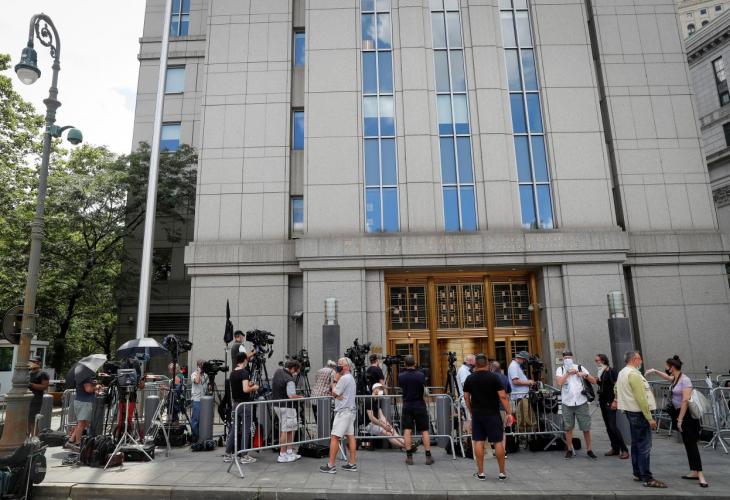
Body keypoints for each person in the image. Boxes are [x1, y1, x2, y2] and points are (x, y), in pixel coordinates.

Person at [646, 356, 708, 488]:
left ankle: (701, 475)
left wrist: (680, 420)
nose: (666, 368)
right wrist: (655, 371)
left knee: (692, 444)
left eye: (667, 366)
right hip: (679, 414)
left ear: (672, 367)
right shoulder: (676, 378)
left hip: (686, 417)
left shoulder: (685, 380)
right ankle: (694, 471)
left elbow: (685, 401)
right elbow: (667, 378)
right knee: (687, 443)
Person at [613, 351, 666, 488]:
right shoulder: (633, 374)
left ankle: (637, 472)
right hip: (639, 414)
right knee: (644, 446)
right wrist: (650, 418)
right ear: (634, 359)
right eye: (639, 359)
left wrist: (618, 400)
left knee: (636, 444)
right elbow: (641, 398)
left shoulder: (622, 373)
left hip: (631, 412)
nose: (641, 361)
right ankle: (647, 477)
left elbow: (615, 388)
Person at [463, 354, 514, 481]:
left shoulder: (470, 378)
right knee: (498, 442)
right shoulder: (494, 377)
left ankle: (481, 473)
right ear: (487, 364)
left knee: (479, 441)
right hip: (493, 413)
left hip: (477, 414)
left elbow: (466, 397)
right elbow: (503, 396)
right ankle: (502, 473)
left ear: (475, 364)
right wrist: (509, 412)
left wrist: (471, 410)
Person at [555, 350, 597, 460]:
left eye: (569, 357)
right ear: (563, 359)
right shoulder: (560, 369)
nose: (567, 359)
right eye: (565, 358)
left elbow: (593, 381)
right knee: (568, 427)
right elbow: (559, 382)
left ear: (572, 357)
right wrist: (568, 373)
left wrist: (584, 374)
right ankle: (569, 449)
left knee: (585, 427)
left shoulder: (579, 367)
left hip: (581, 401)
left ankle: (589, 449)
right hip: (567, 402)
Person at [320, 358, 358, 473]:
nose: (339, 366)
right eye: (338, 364)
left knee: (335, 437)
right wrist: (337, 395)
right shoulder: (350, 377)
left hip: (343, 412)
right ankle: (352, 463)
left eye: (341, 364)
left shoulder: (344, 378)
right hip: (350, 411)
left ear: (347, 366)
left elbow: (334, 392)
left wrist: (335, 380)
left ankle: (331, 465)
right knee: (350, 436)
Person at [224, 351, 259, 464]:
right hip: (245, 404)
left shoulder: (233, 373)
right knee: (246, 430)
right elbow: (245, 389)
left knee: (234, 429)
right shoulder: (244, 372)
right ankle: (244, 456)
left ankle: (227, 454)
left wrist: (249, 384)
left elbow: (239, 387)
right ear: (245, 360)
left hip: (236, 404)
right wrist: (254, 387)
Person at [398, 355, 434, 466]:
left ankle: (409, 457)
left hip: (407, 405)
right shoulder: (421, 375)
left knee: (407, 430)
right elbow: (423, 386)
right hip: (419, 404)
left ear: (405, 364)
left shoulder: (401, 376)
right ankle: (428, 456)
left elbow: (401, 387)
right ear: (415, 363)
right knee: (424, 430)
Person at [595, 353, 629, 459]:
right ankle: (615, 448)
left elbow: (618, 385)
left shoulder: (611, 371)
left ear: (603, 360)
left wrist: (615, 400)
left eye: (597, 360)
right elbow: (601, 384)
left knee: (612, 426)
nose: (596, 363)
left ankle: (624, 449)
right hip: (603, 401)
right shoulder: (601, 372)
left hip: (610, 401)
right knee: (608, 427)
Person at [271, 360, 303, 463]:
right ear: (293, 368)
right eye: (296, 371)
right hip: (287, 407)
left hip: (277, 405)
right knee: (286, 430)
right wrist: (301, 397)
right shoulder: (290, 380)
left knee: (290, 429)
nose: (296, 373)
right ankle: (283, 454)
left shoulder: (278, 372)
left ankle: (289, 452)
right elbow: (291, 396)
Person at [364, 383, 410, 450]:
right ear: (374, 389)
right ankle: (407, 446)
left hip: (377, 424)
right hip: (369, 425)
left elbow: (381, 416)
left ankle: (407, 445)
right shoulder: (369, 400)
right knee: (388, 433)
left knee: (392, 430)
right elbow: (371, 418)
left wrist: (387, 425)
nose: (381, 390)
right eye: (380, 389)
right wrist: (384, 426)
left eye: (382, 389)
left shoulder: (378, 400)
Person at [508, 351, 536, 431]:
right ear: (520, 358)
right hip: (520, 397)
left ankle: (524, 434)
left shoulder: (516, 366)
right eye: (524, 360)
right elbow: (515, 381)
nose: (525, 362)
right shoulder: (514, 366)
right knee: (523, 419)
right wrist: (528, 382)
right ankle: (522, 436)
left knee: (525, 418)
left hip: (522, 396)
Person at [68, 376, 98, 448]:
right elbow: (88, 389)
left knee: (82, 423)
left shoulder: (81, 377)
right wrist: (96, 387)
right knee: (82, 424)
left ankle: (72, 438)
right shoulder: (86, 377)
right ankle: (78, 442)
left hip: (80, 401)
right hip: (84, 402)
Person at [490, 360, 511, 455]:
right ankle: (503, 451)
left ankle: (495, 450)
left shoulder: (490, 377)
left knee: (492, 429)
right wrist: (508, 411)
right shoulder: (504, 377)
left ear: (492, 368)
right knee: (502, 430)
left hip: (491, 407)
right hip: (502, 407)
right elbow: (508, 392)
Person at [28, 356, 49, 434]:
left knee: (33, 420)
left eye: (34, 361)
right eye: (32, 361)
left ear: (39, 363)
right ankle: (27, 438)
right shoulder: (28, 373)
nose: (32, 363)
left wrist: (31, 385)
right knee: (27, 420)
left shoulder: (43, 374)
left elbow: (44, 386)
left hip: (36, 400)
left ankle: (35, 438)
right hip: (27, 400)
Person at [190, 360, 207, 442]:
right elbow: (197, 381)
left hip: (203, 399)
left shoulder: (205, 375)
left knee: (202, 419)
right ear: (198, 366)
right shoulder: (194, 374)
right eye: (202, 366)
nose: (203, 368)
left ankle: (201, 436)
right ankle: (195, 436)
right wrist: (199, 372)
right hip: (196, 400)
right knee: (195, 419)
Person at [457, 355, 475, 424]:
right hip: (466, 400)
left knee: (471, 421)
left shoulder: (467, 370)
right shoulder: (463, 370)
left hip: (469, 399)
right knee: (470, 421)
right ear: (470, 361)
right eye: (475, 361)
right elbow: (465, 385)